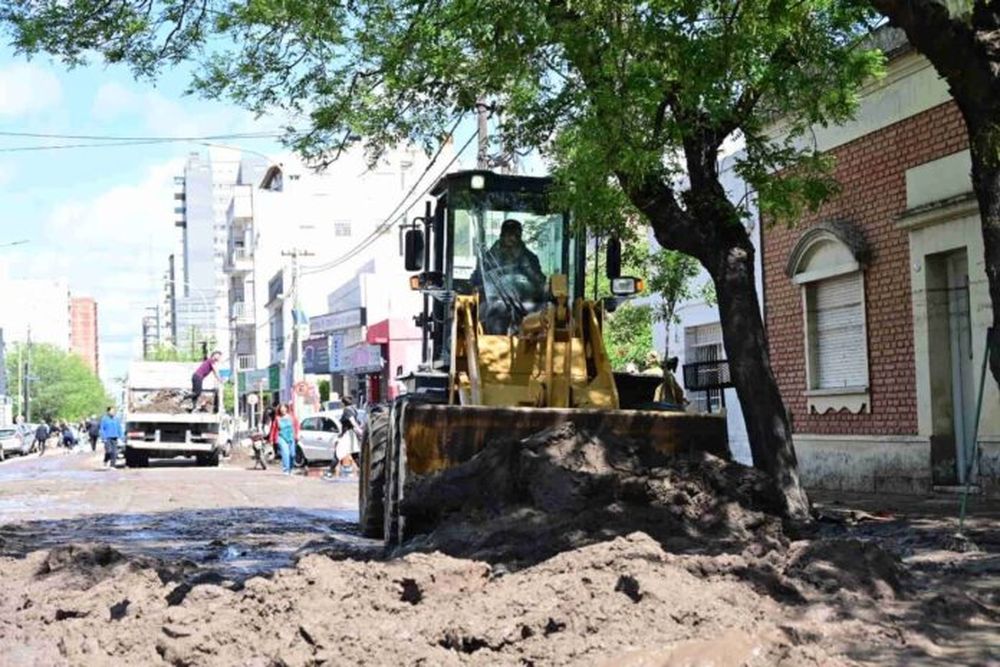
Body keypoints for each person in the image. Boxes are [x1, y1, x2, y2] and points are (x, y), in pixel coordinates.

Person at [470, 219, 548, 334]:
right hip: (494, 302)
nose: (511, 239)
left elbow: (540, 283)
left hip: (526, 305)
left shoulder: (530, 259)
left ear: (519, 236)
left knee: (544, 314)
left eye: (515, 235)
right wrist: (479, 287)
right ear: (502, 235)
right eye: (508, 234)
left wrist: (528, 269)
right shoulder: (489, 258)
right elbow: (477, 281)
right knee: (487, 311)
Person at [326, 396, 363, 479]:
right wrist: (359, 431)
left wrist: (359, 431)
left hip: (347, 435)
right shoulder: (353, 409)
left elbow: (353, 422)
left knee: (338, 453)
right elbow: (356, 422)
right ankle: (363, 470)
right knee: (355, 454)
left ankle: (329, 472)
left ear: (343, 403)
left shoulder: (347, 410)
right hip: (351, 434)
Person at [268, 403, 299, 475]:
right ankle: (286, 470)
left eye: (284, 408)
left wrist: (297, 435)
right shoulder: (277, 418)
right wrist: (271, 439)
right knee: (285, 453)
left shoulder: (292, 417)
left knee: (292, 454)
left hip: (291, 436)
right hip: (281, 436)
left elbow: (297, 426)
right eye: (281, 409)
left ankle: (290, 468)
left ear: (287, 409)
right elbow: (273, 429)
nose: (283, 410)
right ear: (279, 410)